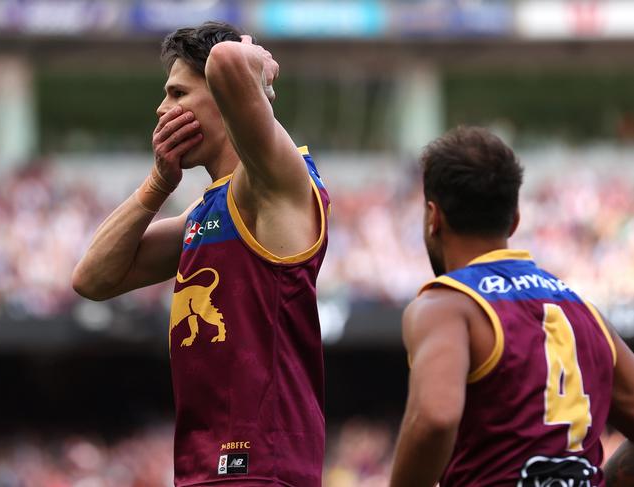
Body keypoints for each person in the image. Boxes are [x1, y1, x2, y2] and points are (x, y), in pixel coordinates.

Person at [72, 22, 329, 487]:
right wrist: (158, 184)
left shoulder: (274, 182)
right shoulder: (208, 207)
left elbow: (229, 61)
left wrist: (258, 75)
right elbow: (93, 279)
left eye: (177, 93)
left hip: (260, 468)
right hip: (205, 468)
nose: (161, 107)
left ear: (224, 97)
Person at [389, 126, 634, 486]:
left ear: (433, 217)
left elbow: (435, 419)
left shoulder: (446, 305)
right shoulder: (584, 311)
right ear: (515, 219)